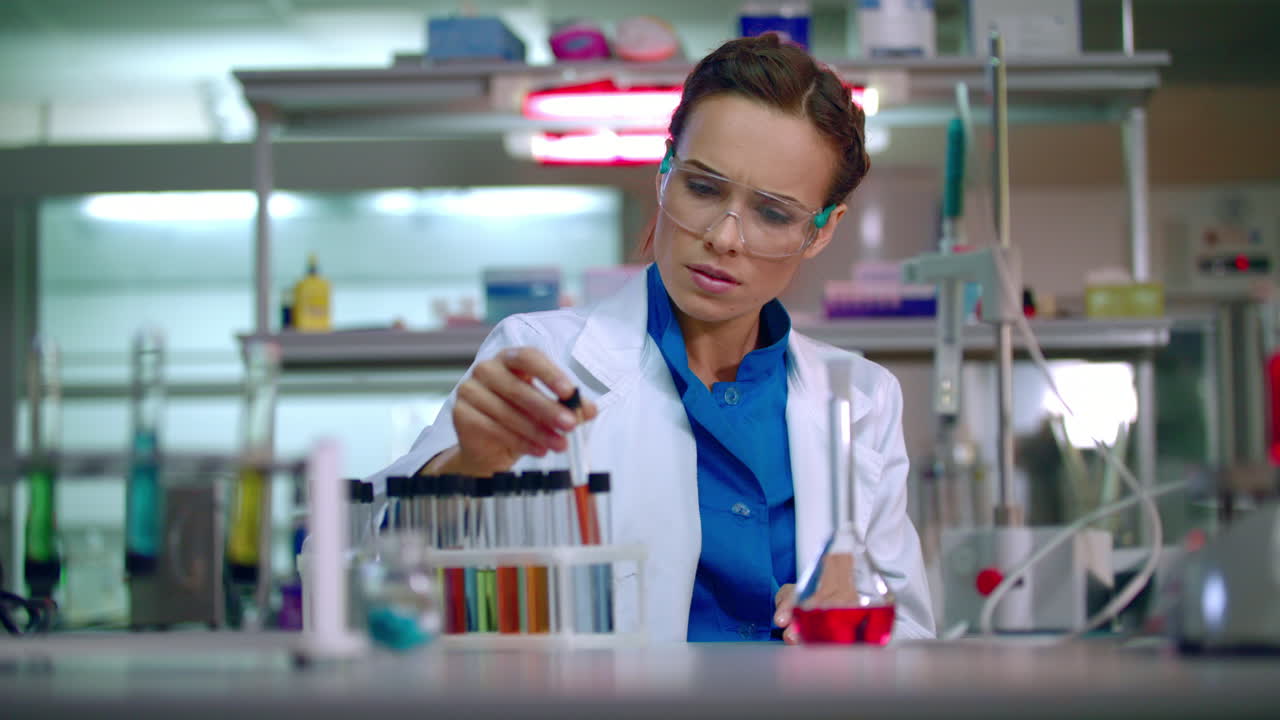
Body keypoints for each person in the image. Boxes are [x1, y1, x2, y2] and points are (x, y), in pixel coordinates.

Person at [372, 34, 935, 643]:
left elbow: (909, 632)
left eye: (772, 213)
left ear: (821, 231)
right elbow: (373, 568)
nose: (724, 237)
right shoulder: (540, 355)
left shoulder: (863, 399)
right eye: (703, 187)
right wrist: (468, 467)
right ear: (665, 173)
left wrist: (848, 633)